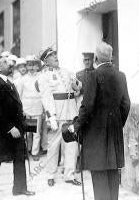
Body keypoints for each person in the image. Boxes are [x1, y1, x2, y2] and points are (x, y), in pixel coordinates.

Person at [69, 42, 131, 200]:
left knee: (99, 175)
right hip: (114, 133)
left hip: (96, 135)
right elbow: (126, 104)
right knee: (112, 175)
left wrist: (76, 126)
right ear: (111, 57)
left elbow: (87, 106)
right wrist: (117, 124)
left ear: (96, 58)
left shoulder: (94, 76)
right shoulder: (120, 75)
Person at [0, 56, 35, 200]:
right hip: (1, 130)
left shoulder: (8, 81)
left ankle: (20, 188)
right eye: (5, 62)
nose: (10, 63)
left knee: (19, 157)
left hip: (16, 126)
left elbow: (13, 104)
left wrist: (22, 112)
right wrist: (10, 127)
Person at [37, 47, 82, 187]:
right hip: (57, 114)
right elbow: (46, 98)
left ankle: (69, 174)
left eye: (55, 54)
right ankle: (50, 174)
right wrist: (51, 117)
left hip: (71, 112)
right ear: (45, 61)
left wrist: (76, 85)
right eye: (51, 56)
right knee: (54, 146)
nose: (55, 57)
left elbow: (78, 88)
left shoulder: (66, 71)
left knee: (71, 145)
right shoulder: (43, 77)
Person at [16, 55, 43, 161]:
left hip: (37, 106)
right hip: (26, 108)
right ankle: (27, 150)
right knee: (28, 132)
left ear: (37, 66)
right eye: (29, 65)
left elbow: (43, 93)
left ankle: (35, 152)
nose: (31, 68)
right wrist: (21, 109)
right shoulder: (22, 79)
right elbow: (19, 95)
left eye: (33, 65)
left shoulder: (40, 78)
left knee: (36, 132)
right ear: (27, 66)